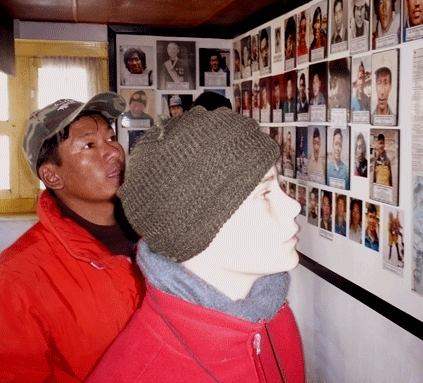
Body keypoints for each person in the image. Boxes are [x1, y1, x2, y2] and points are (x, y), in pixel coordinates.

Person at [88, 107, 304, 383]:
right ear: (194, 225)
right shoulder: (141, 372)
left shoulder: (274, 317)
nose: (293, 205)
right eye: (264, 193)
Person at [0, 93, 145, 381]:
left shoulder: (158, 231)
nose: (114, 151)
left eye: (111, 137)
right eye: (89, 144)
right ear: (52, 176)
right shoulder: (17, 277)